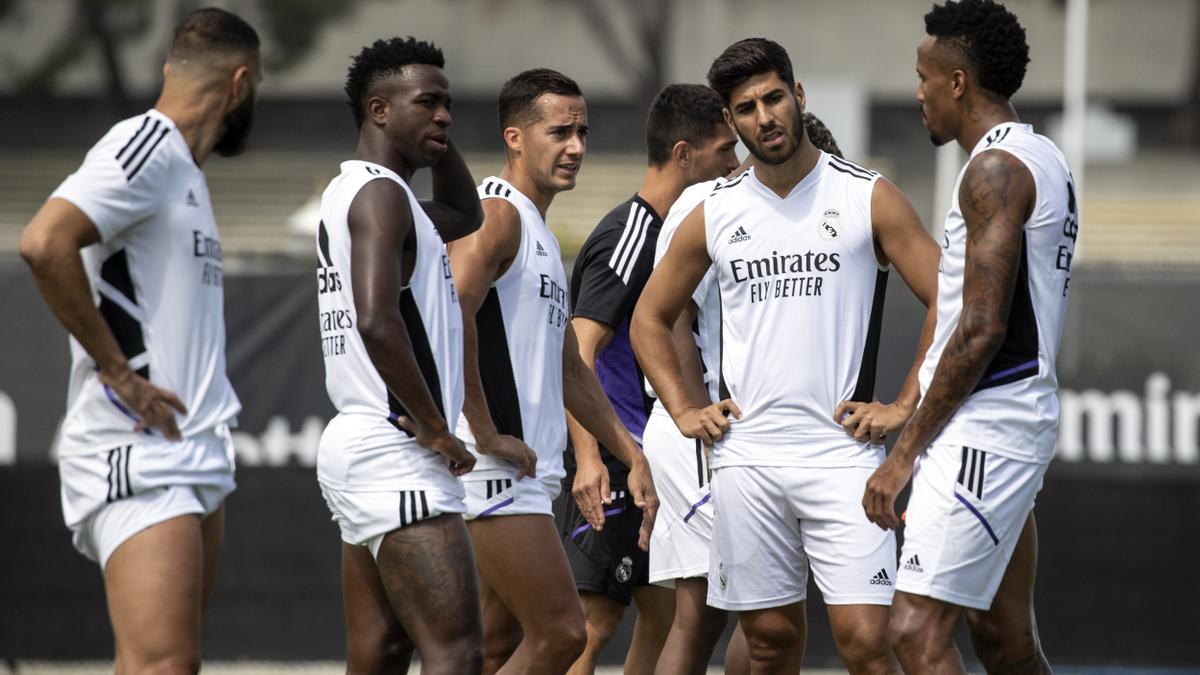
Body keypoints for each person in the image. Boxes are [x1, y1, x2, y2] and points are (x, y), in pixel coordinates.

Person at [631, 37, 940, 674]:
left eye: (773, 98)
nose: (764, 117)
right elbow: (649, 319)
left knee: (868, 642)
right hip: (746, 460)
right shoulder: (714, 211)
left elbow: (949, 298)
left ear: (798, 97)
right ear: (730, 121)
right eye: (745, 108)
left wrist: (904, 403)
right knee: (768, 642)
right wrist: (685, 410)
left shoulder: (866, 194)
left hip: (842, 456)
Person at [18, 8, 260, 672]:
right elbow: (44, 242)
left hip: (193, 455)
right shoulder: (146, 144)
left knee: (155, 664)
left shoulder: (184, 171)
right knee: (165, 665)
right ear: (240, 84)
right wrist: (118, 370)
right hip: (139, 453)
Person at [862, 2, 1075, 672]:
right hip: (1005, 422)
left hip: (986, 428)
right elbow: (963, 311)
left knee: (915, 635)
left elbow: (981, 328)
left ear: (957, 82)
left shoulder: (994, 170)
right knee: (1004, 641)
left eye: (925, 75)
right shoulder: (1038, 154)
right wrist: (906, 404)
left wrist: (903, 455)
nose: (918, 90)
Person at [445, 68, 659, 675]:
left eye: (583, 132)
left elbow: (569, 366)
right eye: (560, 132)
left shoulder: (538, 230)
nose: (577, 147)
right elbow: (452, 307)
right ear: (515, 137)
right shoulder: (498, 213)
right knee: (563, 635)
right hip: (495, 471)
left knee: (497, 647)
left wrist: (627, 453)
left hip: (528, 473)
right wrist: (483, 431)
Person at [645, 111, 853, 675]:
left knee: (764, 613)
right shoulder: (715, 205)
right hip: (707, 426)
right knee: (706, 613)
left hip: (744, 431)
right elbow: (669, 320)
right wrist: (694, 417)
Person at [314, 36, 485, 674]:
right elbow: (376, 320)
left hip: (365, 445)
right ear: (379, 110)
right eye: (428, 103)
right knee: (460, 653)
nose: (445, 115)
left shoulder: (374, 191)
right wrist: (437, 428)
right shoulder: (380, 194)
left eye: (449, 105)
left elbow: (466, 214)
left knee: (383, 652)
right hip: (397, 447)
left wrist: (435, 137)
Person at [559, 83, 739, 675]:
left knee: (665, 617)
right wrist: (592, 460)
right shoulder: (632, 234)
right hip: (615, 461)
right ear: (683, 154)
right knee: (589, 626)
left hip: (654, 461)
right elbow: (580, 351)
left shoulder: (682, 232)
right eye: (724, 151)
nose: (736, 166)